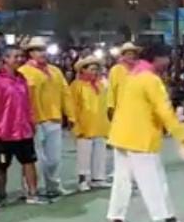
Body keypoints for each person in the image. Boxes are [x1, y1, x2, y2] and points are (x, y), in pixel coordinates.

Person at [107, 45, 184, 222]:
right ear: (157, 58)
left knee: (122, 181)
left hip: (121, 135)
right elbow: (164, 110)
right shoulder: (151, 79)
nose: (169, 62)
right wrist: (183, 135)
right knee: (155, 180)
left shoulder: (132, 75)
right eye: (167, 58)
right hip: (140, 137)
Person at [0, 48, 45, 206]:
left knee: (29, 162)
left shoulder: (22, 79)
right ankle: (2, 196)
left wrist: (31, 122)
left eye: (21, 56)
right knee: (2, 166)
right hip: (3, 133)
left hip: (24, 131)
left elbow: (28, 104)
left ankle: (32, 194)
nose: (19, 59)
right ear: (5, 59)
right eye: (15, 56)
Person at [19, 37, 72, 198]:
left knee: (54, 158)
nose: (42, 53)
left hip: (54, 118)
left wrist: (70, 114)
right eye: (37, 50)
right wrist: (27, 119)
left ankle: (53, 185)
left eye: (43, 49)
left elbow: (65, 93)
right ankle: (32, 187)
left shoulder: (55, 71)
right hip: (34, 120)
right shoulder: (23, 71)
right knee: (35, 159)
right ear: (30, 53)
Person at [68, 56, 111, 192]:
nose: (95, 72)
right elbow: (72, 105)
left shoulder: (101, 85)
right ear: (83, 70)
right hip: (84, 124)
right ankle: (83, 179)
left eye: (96, 69)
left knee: (100, 152)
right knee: (84, 154)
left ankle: (98, 178)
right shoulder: (76, 85)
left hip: (100, 123)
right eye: (92, 69)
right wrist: (74, 122)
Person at [105, 42, 142, 117]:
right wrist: (110, 107)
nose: (131, 56)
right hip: (121, 109)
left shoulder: (139, 69)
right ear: (123, 55)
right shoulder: (116, 70)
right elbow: (111, 90)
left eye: (133, 54)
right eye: (128, 54)